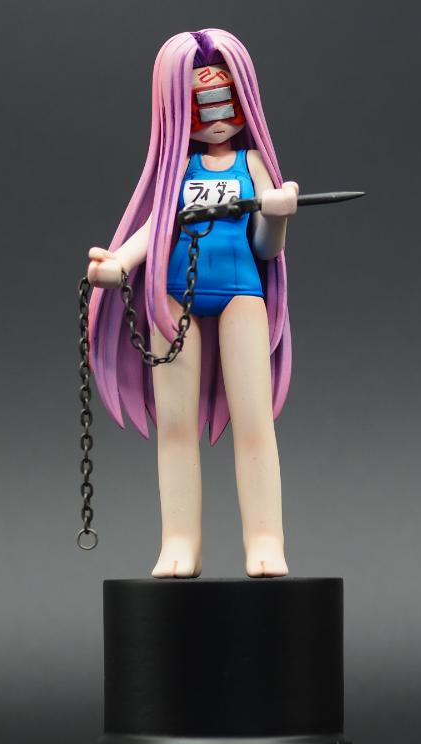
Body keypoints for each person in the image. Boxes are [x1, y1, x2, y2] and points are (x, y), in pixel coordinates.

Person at [84, 28, 299, 579]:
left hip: (241, 293)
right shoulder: (178, 170)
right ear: (178, 109)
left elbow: (265, 249)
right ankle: (180, 542)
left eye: (227, 102)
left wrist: (276, 215)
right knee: (176, 428)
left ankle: (265, 539)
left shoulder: (252, 164)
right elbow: (155, 229)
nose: (219, 117)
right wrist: (117, 266)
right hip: (173, 296)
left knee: (255, 423)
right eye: (204, 106)